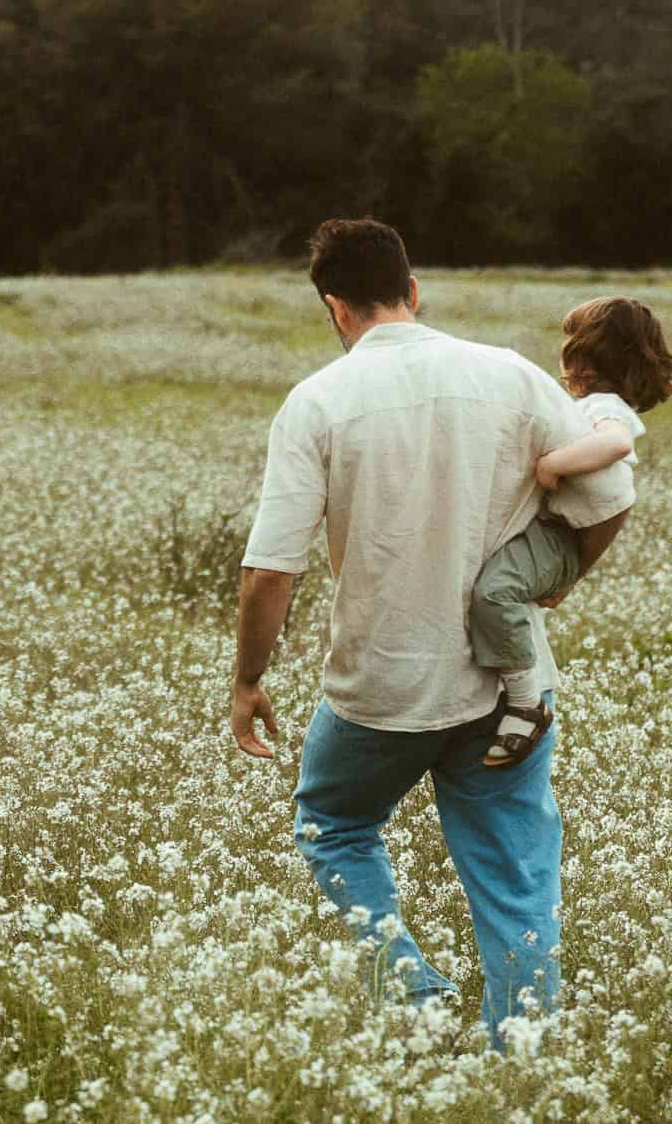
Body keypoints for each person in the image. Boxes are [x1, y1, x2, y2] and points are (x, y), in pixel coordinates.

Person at [227, 218, 633, 1051]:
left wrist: (248, 679)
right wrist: (556, 581)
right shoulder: (514, 376)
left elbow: (272, 569)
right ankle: (523, 1050)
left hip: (382, 685)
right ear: (414, 291)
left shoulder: (317, 402)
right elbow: (603, 500)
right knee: (516, 876)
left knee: (333, 824)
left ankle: (412, 995)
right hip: (505, 687)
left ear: (335, 308)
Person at [476, 297, 672, 767]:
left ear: (589, 357)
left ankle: (526, 704)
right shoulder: (582, 405)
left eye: (571, 343)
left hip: (561, 537)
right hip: (561, 532)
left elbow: (617, 443)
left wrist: (552, 464)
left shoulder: (606, 408)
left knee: (494, 593)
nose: (562, 351)